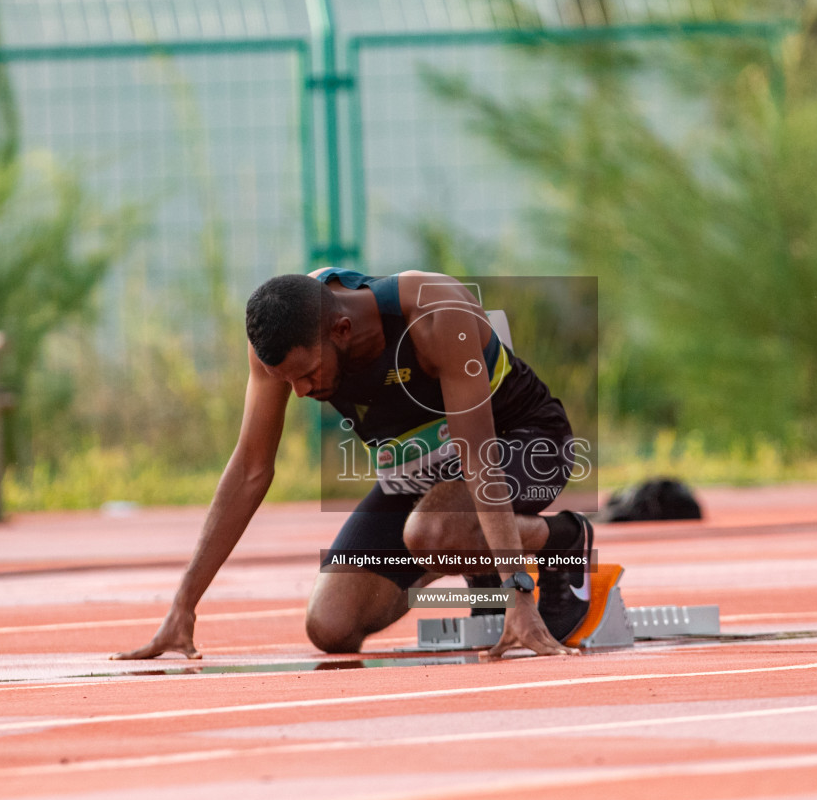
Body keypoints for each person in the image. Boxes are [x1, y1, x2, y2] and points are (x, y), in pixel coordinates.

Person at [113, 267, 594, 661]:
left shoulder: (435, 314)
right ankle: (476, 565)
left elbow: (477, 457)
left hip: (523, 445)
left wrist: (519, 595)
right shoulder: (280, 344)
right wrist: (183, 606)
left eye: (306, 376)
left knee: (434, 532)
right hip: (422, 474)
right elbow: (250, 470)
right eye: (289, 381)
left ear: (342, 330)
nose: (300, 392)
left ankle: (565, 541)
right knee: (331, 627)